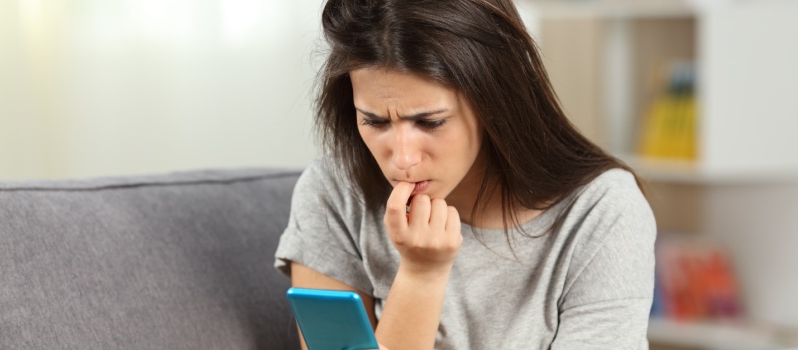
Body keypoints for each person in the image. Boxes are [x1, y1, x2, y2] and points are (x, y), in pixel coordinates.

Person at [274, 0, 656, 349]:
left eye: (430, 121)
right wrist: (420, 277)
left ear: (495, 103)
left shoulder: (602, 210)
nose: (403, 158)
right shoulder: (334, 192)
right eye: (374, 121)